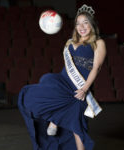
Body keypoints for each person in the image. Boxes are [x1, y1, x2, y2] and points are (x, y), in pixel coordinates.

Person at [18, 4, 106, 150]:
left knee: (76, 123)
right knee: (47, 79)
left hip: (80, 87)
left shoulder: (98, 43)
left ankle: (56, 121)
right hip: (64, 80)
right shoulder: (71, 42)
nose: (81, 26)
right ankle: (54, 119)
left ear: (92, 24)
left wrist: (84, 89)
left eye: (85, 22)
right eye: (78, 23)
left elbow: (96, 68)